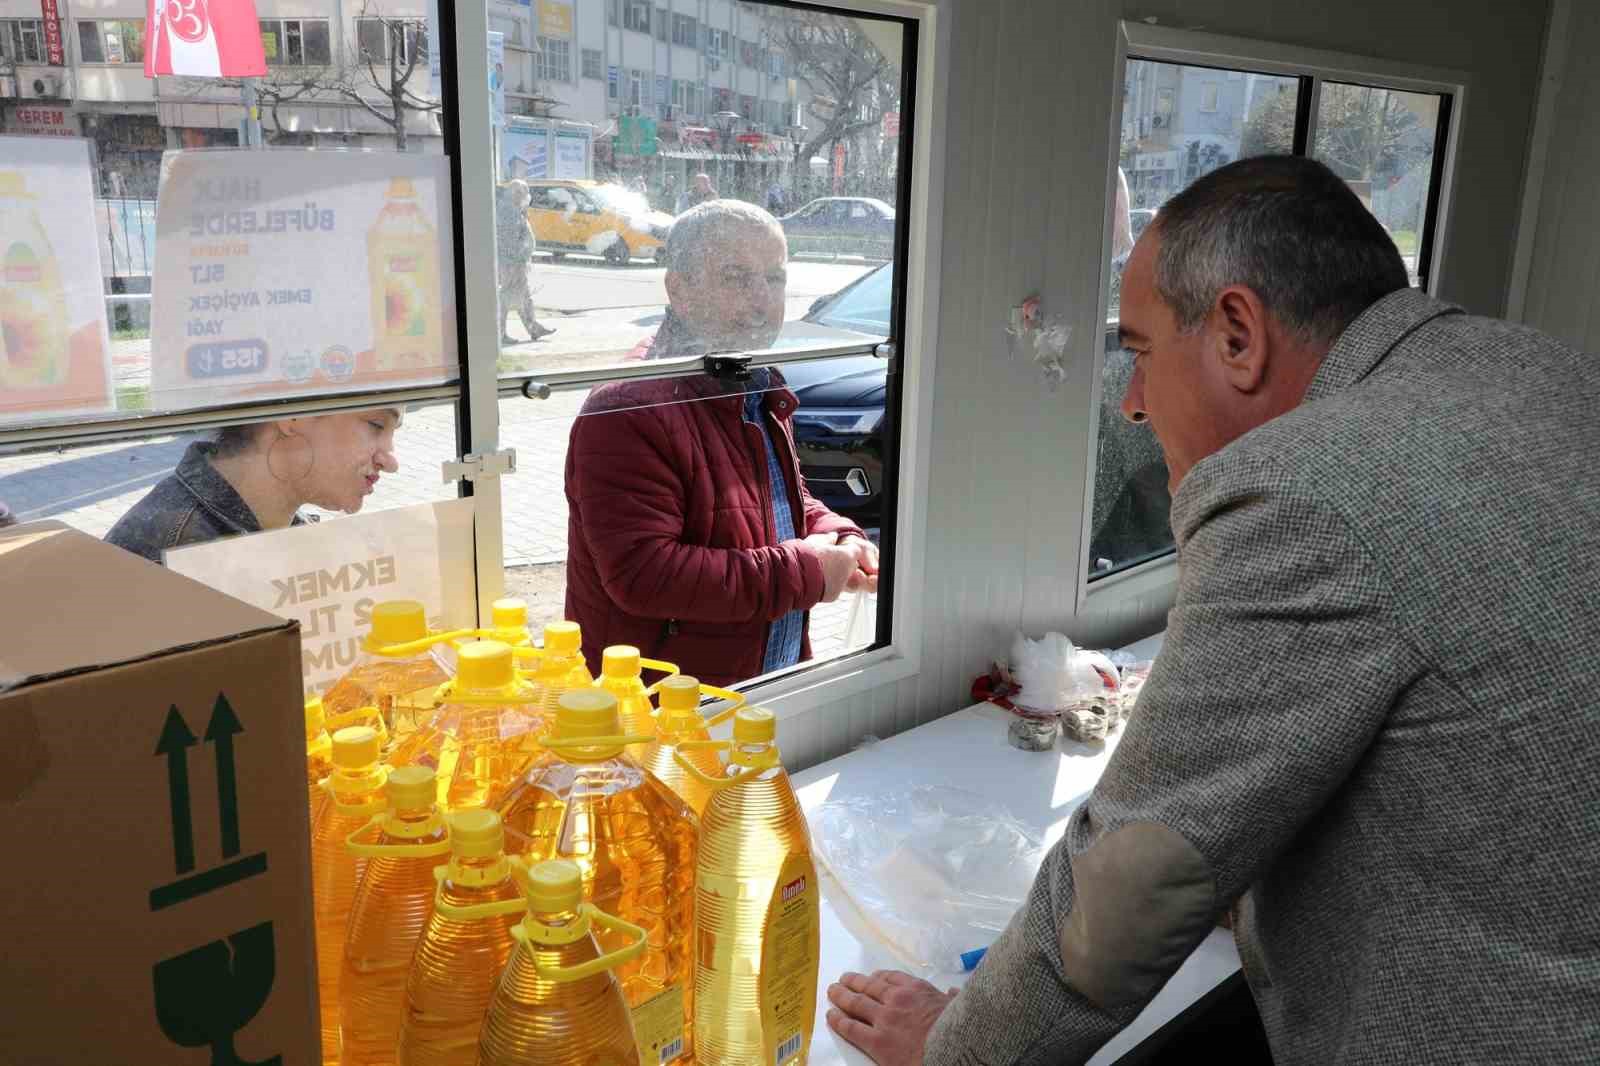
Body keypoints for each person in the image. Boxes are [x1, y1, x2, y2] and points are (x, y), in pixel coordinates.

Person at [825, 156, 1600, 1064]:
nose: (1135, 401)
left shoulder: (1302, 488)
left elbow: (1129, 888)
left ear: (1238, 332)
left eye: (1143, 352)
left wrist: (950, 1051)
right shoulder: (1545, 370)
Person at [563, 199, 878, 686]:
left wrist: (837, 532)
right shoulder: (628, 406)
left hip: (760, 677)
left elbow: (773, 497)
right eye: (736, 278)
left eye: (774, 279)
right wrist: (810, 571)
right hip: (668, 711)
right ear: (679, 288)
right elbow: (645, 574)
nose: (761, 301)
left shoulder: (752, 380)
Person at [105, 409, 402, 564]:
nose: (390, 461)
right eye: (376, 425)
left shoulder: (263, 534)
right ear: (295, 413)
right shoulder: (176, 562)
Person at [495, 179, 554, 345]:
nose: (527, 196)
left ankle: (533, 327)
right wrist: (520, 258)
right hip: (511, 263)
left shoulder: (512, 209)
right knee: (508, 297)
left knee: (524, 296)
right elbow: (509, 242)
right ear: (516, 194)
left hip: (514, 262)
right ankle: (501, 333)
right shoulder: (508, 211)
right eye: (524, 192)